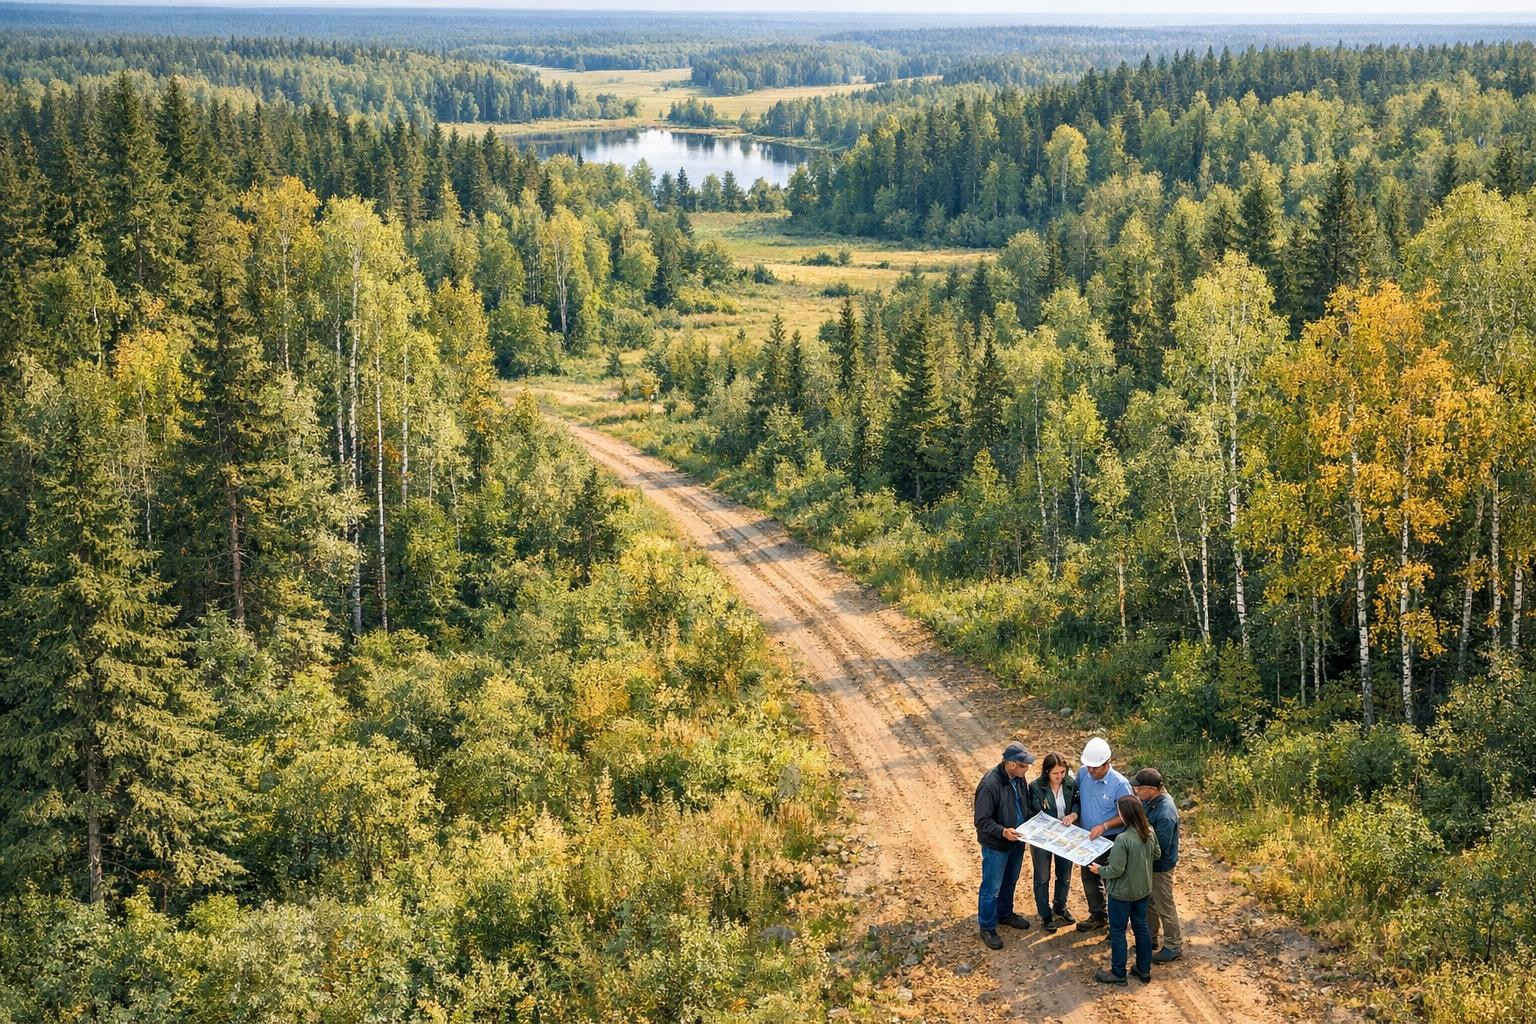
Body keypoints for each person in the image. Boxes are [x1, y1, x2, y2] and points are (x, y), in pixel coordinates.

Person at [1089, 795, 1160, 985]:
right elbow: (1157, 854)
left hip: (1121, 894)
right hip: (1142, 890)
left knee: (1118, 931)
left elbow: (1115, 870)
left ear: (1125, 814)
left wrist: (1099, 870)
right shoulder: (1149, 832)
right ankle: (1143, 970)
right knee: (1142, 928)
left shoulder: (1123, 839)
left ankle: (1118, 973)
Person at [973, 742, 1036, 949]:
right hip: (997, 845)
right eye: (1023, 765)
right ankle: (988, 927)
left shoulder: (1018, 778)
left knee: (1011, 880)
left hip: (1017, 840)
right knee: (992, 887)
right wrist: (1002, 831)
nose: (1026, 769)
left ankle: (1005, 913)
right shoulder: (990, 784)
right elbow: (981, 820)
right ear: (1010, 764)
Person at [1074, 736, 1133, 932]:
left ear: (1107, 763)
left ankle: (1117, 926)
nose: (1091, 771)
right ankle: (1098, 916)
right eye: (1088, 767)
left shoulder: (1120, 784)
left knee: (1112, 882)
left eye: (1095, 768)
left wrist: (1105, 825)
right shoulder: (1083, 773)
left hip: (1111, 839)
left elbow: (1128, 814)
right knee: (1089, 877)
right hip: (1087, 838)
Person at [1133, 767, 1183, 963]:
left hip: (1160, 866)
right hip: (1150, 864)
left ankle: (1173, 946)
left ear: (1151, 789)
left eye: (1139, 788)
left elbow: (1159, 847)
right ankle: (1150, 938)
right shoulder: (1150, 801)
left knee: (1164, 905)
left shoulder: (1165, 812)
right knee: (1149, 903)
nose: (1136, 791)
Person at [1026, 751, 1079, 931]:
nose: (1059, 777)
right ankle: (1045, 914)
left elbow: (1076, 803)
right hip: (1043, 838)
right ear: (1047, 772)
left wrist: (1073, 814)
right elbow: (1033, 813)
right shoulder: (1036, 787)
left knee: (1064, 875)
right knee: (1042, 876)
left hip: (1065, 836)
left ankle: (1060, 906)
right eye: (1055, 773)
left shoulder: (1070, 784)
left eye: (1062, 772)